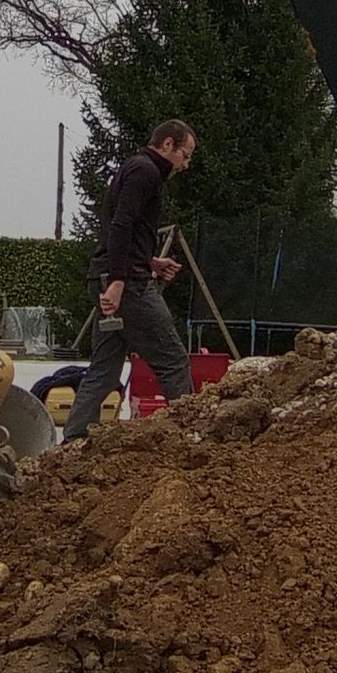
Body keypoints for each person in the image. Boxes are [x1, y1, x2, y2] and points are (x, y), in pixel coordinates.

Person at [59, 119, 198, 443]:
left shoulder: (133, 168)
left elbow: (119, 230)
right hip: (128, 286)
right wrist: (120, 281)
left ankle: (72, 444)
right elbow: (121, 226)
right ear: (167, 145)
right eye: (185, 155)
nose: (186, 165)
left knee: (104, 369)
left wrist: (149, 260)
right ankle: (190, 438)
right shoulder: (146, 172)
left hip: (108, 275)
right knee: (174, 361)